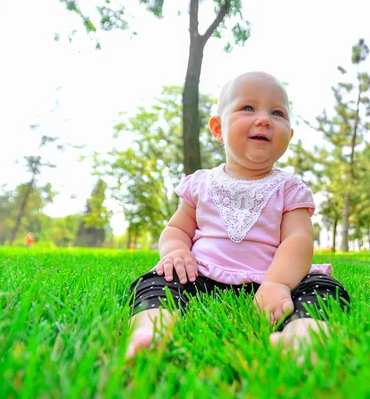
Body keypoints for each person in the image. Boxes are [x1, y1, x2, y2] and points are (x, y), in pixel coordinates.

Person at [126, 71, 351, 359]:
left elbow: (298, 239)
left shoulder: (290, 188)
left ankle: (303, 337)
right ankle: (152, 330)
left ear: (289, 136)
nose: (264, 119)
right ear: (218, 129)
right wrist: (177, 252)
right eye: (248, 108)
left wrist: (278, 283)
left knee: (323, 288)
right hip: (203, 274)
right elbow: (177, 229)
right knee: (159, 279)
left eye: (277, 113)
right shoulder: (200, 183)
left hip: (271, 277)